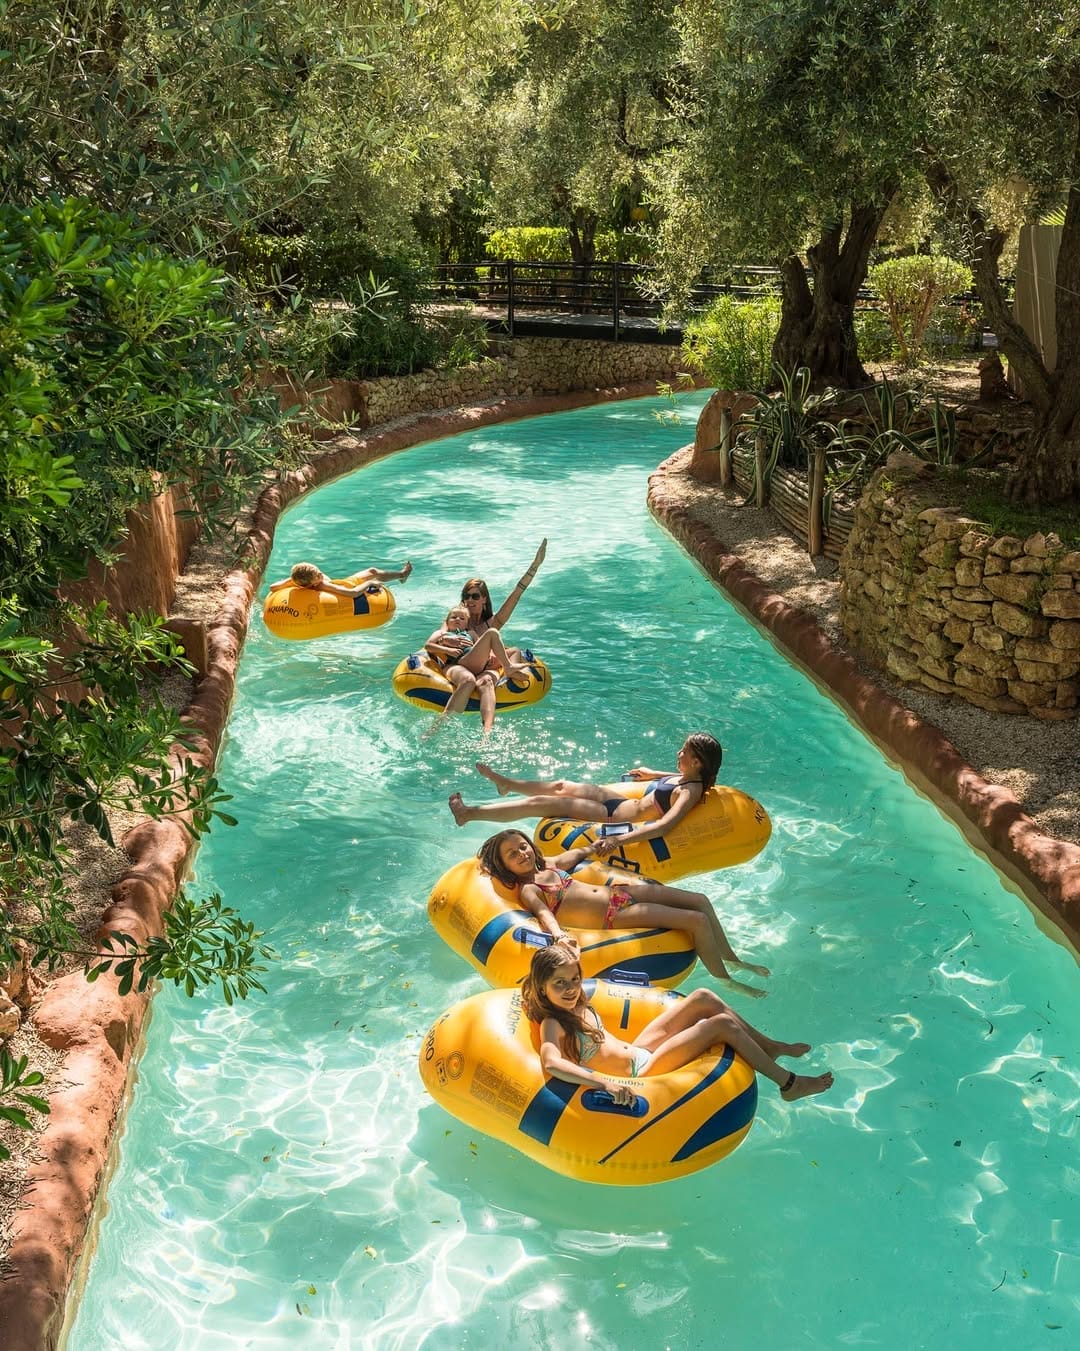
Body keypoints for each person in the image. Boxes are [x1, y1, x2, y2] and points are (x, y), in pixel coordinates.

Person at [522, 941, 834, 1108]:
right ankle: (788, 1084)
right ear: (541, 988)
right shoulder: (554, 1022)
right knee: (720, 1024)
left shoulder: (577, 1001)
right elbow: (551, 1062)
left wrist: (567, 947)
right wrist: (605, 1084)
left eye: (574, 979)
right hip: (640, 1073)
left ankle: (769, 1047)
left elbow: (568, 961)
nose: (570, 989)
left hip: (639, 1050)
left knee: (702, 997)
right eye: (559, 984)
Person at [477, 828, 769, 997]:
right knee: (695, 920)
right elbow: (544, 914)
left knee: (700, 900)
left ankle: (733, 959)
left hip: (619, 894)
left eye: (522, 846)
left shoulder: (549, 865)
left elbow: (577, 855)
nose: (522, 854)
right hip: (613, 917)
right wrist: (559, 936)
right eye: (512, 855)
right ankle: (725, 980)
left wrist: (596, 845)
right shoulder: (529, 889)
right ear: (505, 866)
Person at [448, 733, 721, 857]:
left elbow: (665, 825)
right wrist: (652, 774)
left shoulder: (690, 791)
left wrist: (618, 840)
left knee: (543, 804)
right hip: (622, 801)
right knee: (560, 785)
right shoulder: (688, 777)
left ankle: (469, 814)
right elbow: (675, 781)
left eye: (684, 752)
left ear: (697, 762)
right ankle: (506, 783)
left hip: (613, 816)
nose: (679, 754)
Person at [438, 539, 548, 725]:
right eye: (466, 596)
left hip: (482, 670)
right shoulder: (457, 619)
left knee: (507, 658)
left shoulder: (493, 622)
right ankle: (509, 669)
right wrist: (448, 640)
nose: (469, 600)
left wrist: (535, 566)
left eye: (475, 596)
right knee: (493, 636)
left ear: (484, 600)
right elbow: (441, 636)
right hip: (460, 666)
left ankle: (486, 734)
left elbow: (516, 593)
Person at [423, 607, 531, 732]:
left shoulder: (471, 634)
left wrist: (489, 656)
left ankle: (487, 731)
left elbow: (482, 646)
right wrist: (448, 650)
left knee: (515, 650)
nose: (458, 619)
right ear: (447, 621)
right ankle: (508, 668)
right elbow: (428, 646)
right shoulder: (441, 633)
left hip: (478, 663)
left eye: (462, 618)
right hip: (462, 661)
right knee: (492, 633)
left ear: (466, 623)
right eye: (454, 617)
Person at [273, 560, 412, 613]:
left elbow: (273, 587)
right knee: (373, 573)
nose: (321, 573)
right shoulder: (323, 586)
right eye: (318, 575)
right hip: (349, 584)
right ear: (313, 583)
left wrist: (289, 581)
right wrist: (370, 583)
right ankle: (402, 574)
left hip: (342, 581)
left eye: (317, 570)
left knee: (373, 571)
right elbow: (353, 593)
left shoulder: (296, 580)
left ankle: (402, 575)